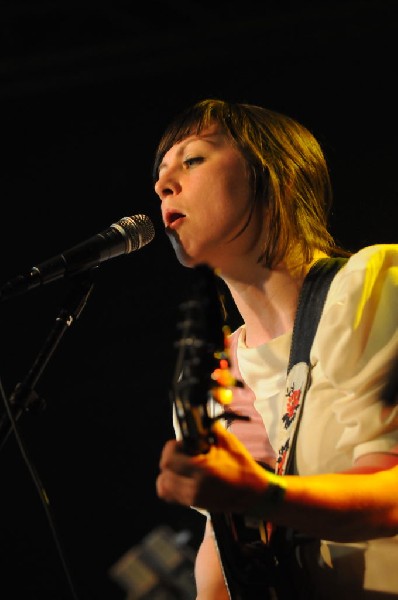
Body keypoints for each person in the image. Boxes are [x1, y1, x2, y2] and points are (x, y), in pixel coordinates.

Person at [153, 98, 398, 599]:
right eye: (160, 173)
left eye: (193, 159)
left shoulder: (373, 286)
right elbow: (222, 546)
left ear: (276, 175)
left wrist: (264, 494)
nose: (163, 185)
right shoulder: (210, 378)